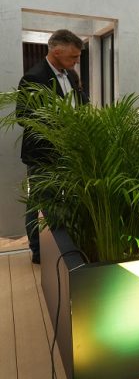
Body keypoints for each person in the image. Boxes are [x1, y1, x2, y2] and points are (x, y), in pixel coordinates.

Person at [17, 29, 84, 264]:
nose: (77, 61)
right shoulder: (33, 78)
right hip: (43, 155)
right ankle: (39, 251)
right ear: (56, 51)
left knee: (65, 201)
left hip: (70, 152)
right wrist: (59, 124)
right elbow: (23, 116)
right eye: (73, 56)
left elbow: (81, 104)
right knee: (41, 202)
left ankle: (63, 248)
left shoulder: (72, 76)